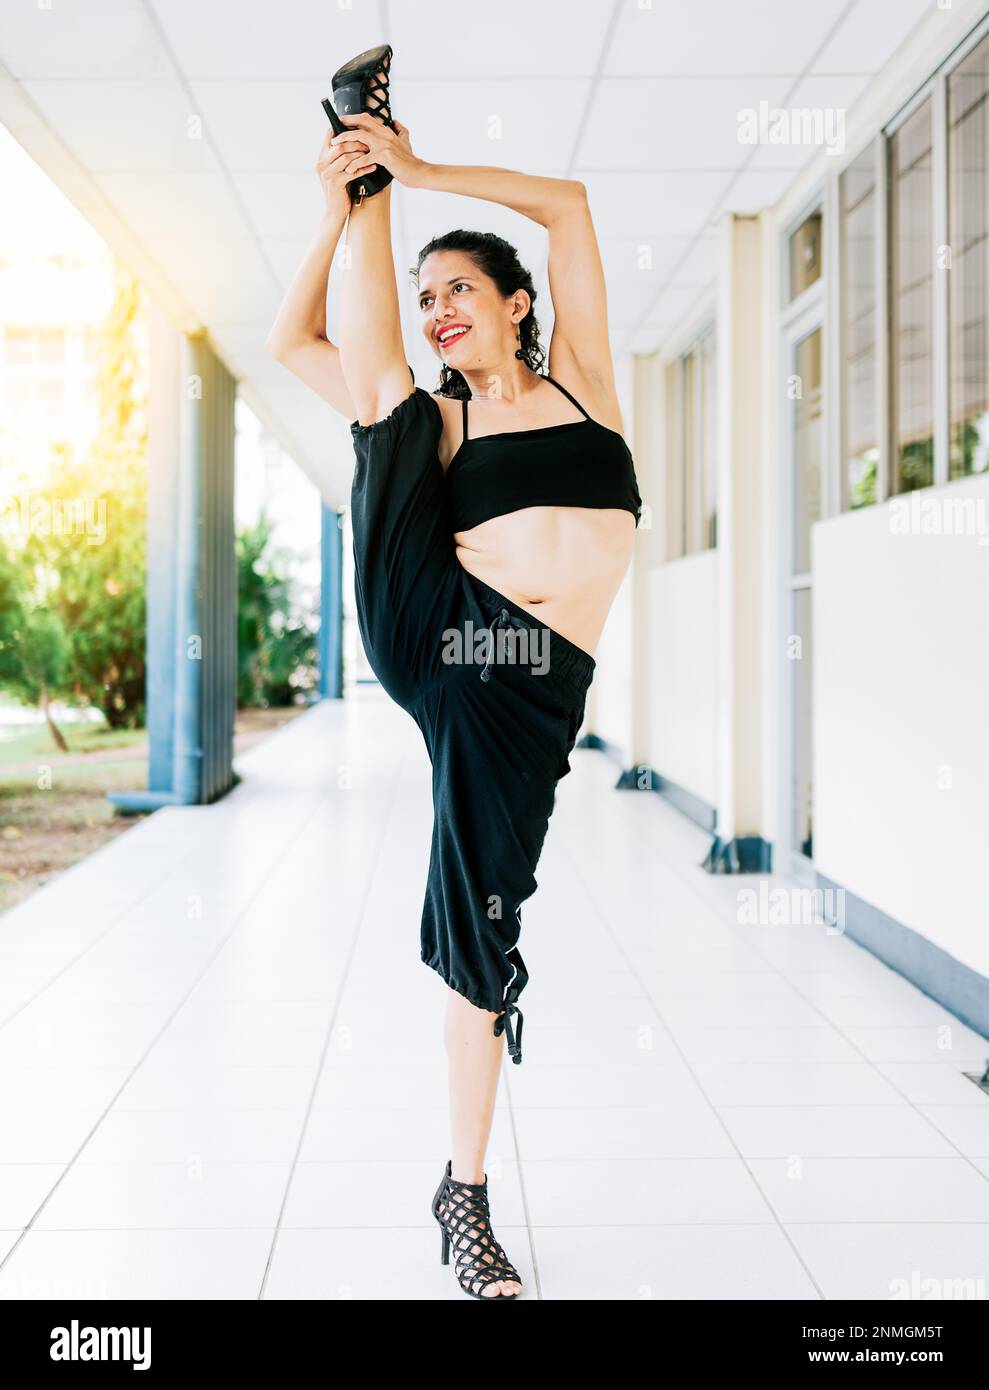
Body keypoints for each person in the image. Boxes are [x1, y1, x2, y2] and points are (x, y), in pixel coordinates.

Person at [267, 103, 641, 1301]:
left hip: (544, 693)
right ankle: (468, 1197)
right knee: (389, 408)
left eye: (459, 287)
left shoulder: (585, 389)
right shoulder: (450, 419)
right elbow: (292, 341)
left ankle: (381, 163)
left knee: (492, 904)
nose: (441, 307)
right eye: (426, 293)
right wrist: (347, 212)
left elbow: (569, 204)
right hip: (454, 640)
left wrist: (423, 167)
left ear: (518, 302)